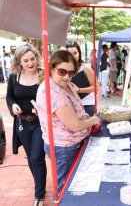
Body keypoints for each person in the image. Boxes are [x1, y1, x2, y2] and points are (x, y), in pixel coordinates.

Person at [36, 50, 100, 193]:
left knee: (73, 185)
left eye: (71, 73)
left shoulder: (65, 84)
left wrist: (87, 119)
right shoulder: (52, 92)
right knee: (65, 190)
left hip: (71, 144)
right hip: (64, 148)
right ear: (52, 68)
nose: (66, 77)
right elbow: (75, 125)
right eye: (62, 71)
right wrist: (93, 120)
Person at [6, 43, 46, 206]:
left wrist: (41, 107)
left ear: (36, 58)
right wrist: (12, 106)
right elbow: (9, 97)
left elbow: (52, 96)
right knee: (32, 158)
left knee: (37, 156)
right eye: (26, 60)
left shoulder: (44, 75)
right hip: (22, 123)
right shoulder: (14, 76)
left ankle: (39, 195)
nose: (30, 63)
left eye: (32, 59)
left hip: (39, 123)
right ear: (19, 62)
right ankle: (40, 186)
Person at [66, 41, 98, 116]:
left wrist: (79, 90)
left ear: (79, 53)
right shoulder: (64, 70)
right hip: (72, 107)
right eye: (70, 54)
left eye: (75, 53)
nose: (73, 56)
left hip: (87, 105)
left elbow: (96, 87)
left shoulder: (85, 68)